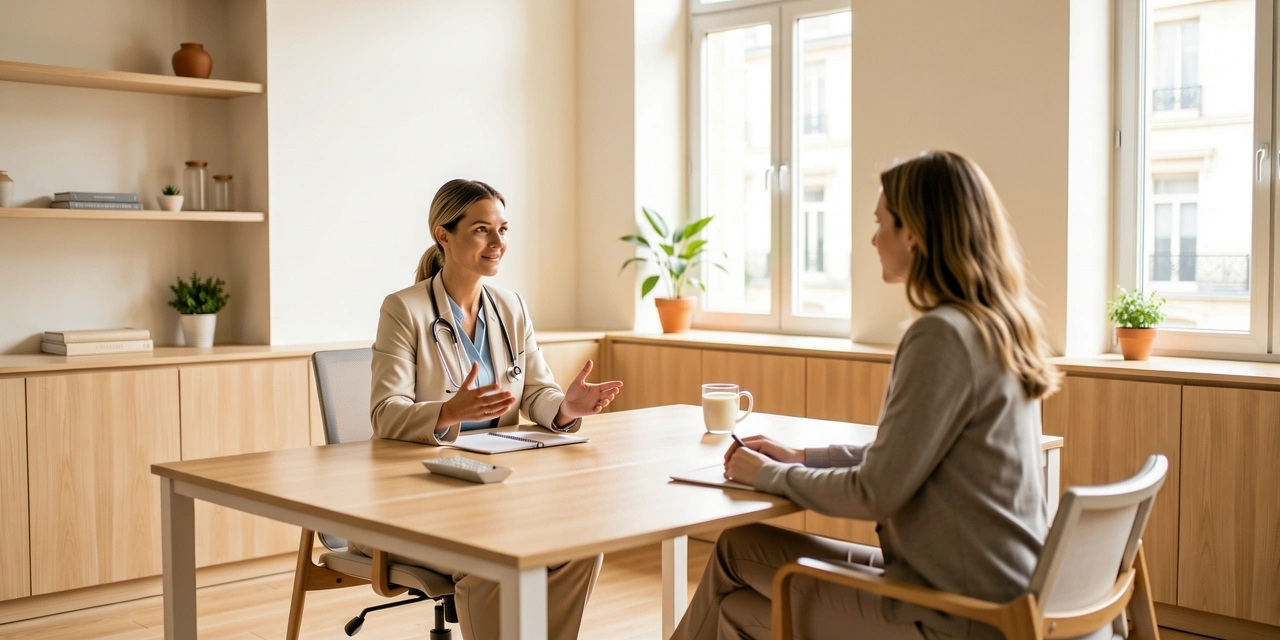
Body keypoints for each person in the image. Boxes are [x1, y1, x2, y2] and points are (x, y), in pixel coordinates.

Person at [672, 151, 1061, 640]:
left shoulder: (942, 336)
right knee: (737, 548)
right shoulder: (997, 326)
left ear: (914, 233)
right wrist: (802, 456)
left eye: (882, 225)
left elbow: (874, 492)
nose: (874, 239)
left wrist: (769, 473)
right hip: (996, 590)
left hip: (959, 615)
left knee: (736, 608)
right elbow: (907, 456)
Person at [357, 178, 624, 640]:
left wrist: (565, 408)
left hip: (497, 492)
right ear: (444, 234)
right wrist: (446, 412)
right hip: (418, 495)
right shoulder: (405, 310)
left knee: (579, 547)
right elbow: (386, 412)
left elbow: (537, 392)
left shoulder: (510, 307)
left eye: (503, 229)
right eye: (482, 230)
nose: (498, 243)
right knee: (493, 557)